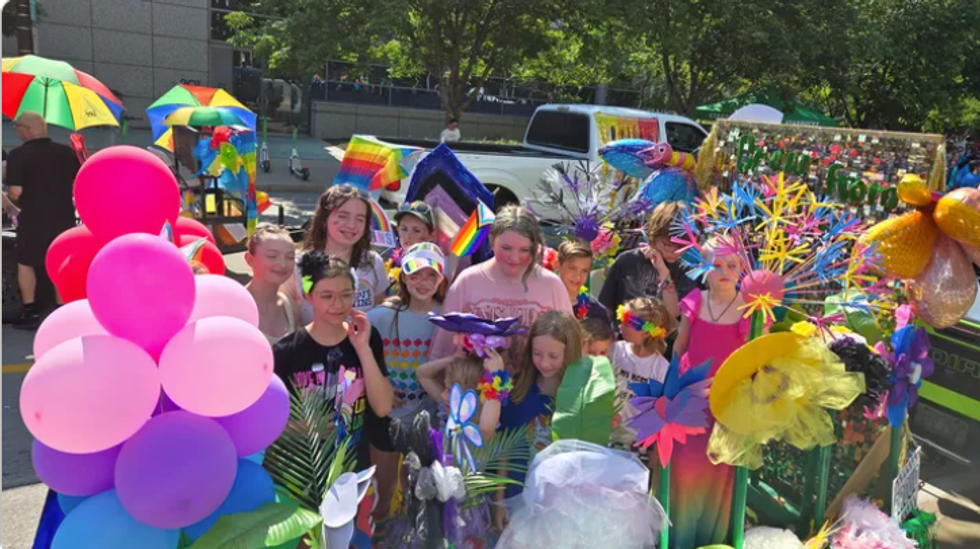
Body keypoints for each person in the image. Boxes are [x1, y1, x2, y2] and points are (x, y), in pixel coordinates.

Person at [666, 236, 753, 549]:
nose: (725, 271)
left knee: (719, 475)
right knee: (684, 473)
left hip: (727, 407)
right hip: (690, 403)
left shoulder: (749, 308)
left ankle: (710, 541)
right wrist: (670, 389)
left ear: (743, 267)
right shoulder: (696, 301)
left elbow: (757, 359)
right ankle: (677, 539)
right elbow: (680, 345)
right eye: (716, 265)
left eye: (732, 265)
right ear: (703, 267)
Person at [272, 252, 394, 473]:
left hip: (353, 466)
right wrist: (304, 428)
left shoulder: (367, 338)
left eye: (346, 295)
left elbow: (383, 407)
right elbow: (265, 426)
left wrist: (363, 349)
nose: (338, 304)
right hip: (303, 473)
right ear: (309, 296)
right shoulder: (285, 352)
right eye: (327, 296)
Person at [429, 206, 573, 368]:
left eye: (524, 250)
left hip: (536, 390)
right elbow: (442, 349)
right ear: (491, 240)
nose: (514, 257)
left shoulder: (551, 285)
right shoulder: (468, 281)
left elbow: (572, 347)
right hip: (476, 390)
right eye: (506, 248)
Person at [366, 242, 447, 519]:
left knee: (414, 485)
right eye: (415, 275)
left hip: (427, 414)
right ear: (403, 276)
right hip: (387, 415)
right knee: (383, 487)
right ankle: (378, 529)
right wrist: (381, 384)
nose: (422, 282)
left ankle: (407, 533)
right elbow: (356, 348)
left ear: (441, 278)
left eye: (430, 276)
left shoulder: (447, 318)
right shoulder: (380, 316)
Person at [5, 112, 80, 328]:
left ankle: (31, 312)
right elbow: (77, 182)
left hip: (32, 219)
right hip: (63, 217)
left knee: (25, 263)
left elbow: (16, 191)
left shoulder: (18, 155)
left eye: (17, 127)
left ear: (26, 130)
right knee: (59, 263)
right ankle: (60, 310)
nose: (17, 131)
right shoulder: (66, 152)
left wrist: (9, 196)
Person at [282, 184, 388, 324]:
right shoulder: (297, 266)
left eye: (360, 219)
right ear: (325, 218)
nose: (351, 225)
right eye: (343, 216)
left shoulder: (374, 262)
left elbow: (381, 316)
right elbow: (289, 326)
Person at [598, 202, 698, 324]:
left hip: (661, 341)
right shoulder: (627, 260)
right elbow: (606, 308)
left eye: (681, 247)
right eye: (667, 245)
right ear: (653, 234)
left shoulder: (685, 270)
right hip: (623, 338)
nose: (673, 251)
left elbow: (673, 313)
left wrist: (663, 271)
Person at [609, 298, 674, 457]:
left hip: (638, 445)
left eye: (626, 321)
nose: (619, 325)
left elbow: (661, 414)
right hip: (608, 437)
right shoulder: (616, 351)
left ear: (645, 331)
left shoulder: (661, 369)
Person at [245, 225, 298, 345]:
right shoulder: (235, 306)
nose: (283, 264)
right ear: (249, 259)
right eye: (272, 256)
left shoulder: (291, 308)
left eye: (290, 257)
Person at [555, 240, 609, 322]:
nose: (578, 276)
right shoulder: (543, 303)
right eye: (572, 268)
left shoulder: (596, 312)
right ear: (558, 265)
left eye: (584, 271)